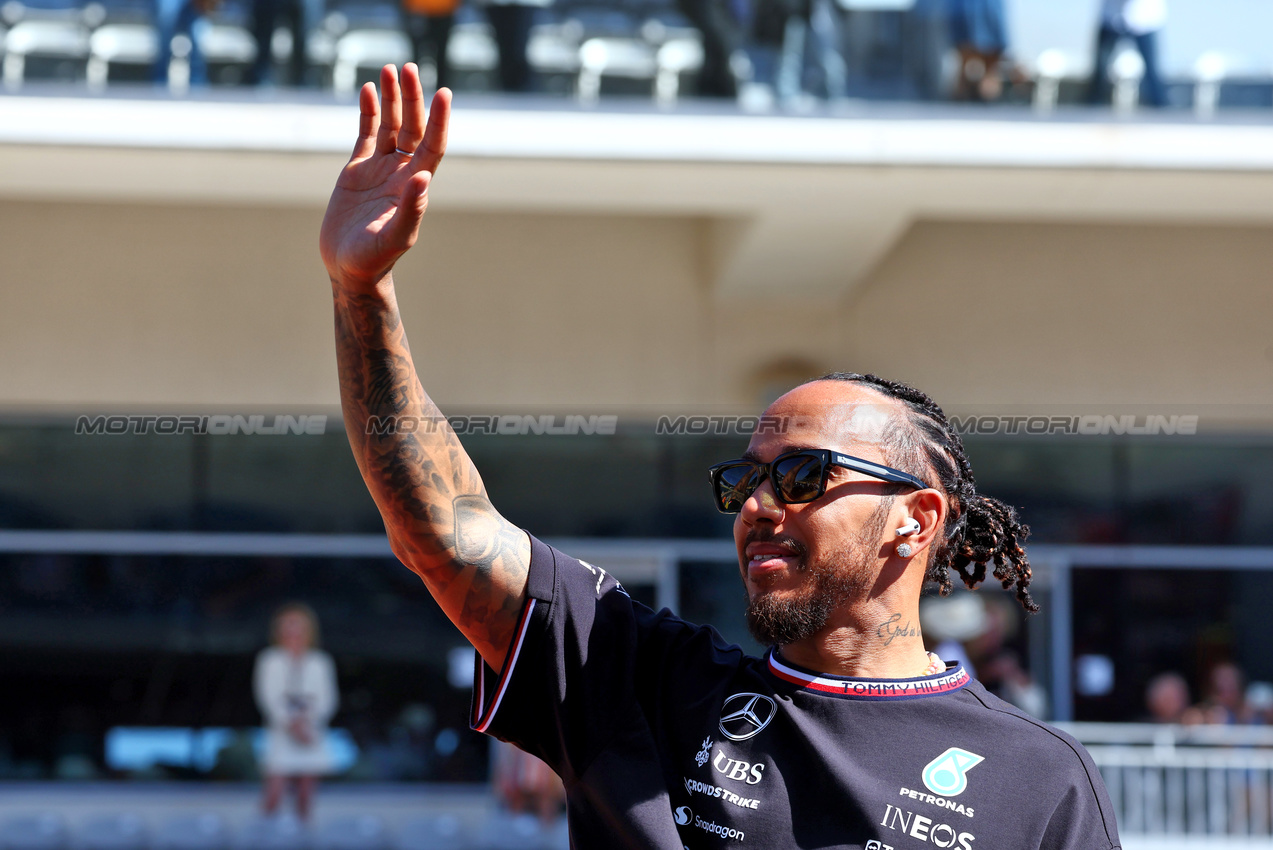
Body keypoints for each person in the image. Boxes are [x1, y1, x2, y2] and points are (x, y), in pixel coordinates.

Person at [318, 64, 1120, 848]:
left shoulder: (1038, 781)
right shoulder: (645, 684)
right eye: (745, 482)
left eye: (804, 477)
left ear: (915, 519)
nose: (760, 507)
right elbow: (443, 528)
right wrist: (362, 290)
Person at [253, 602, 339, 821]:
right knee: (273, 796)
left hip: (311, 734)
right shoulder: (269, 660)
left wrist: (306, 723)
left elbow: (328, 700)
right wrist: (290, 723)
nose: (293, 630)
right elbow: (268, 697)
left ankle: (302, 841)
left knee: (305, 799)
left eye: (297, 625)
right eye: (288, 625)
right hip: (281, 734)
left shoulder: (320, 662)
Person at [1085, 0, 1167, 108]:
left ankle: (1160, 107)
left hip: (1144, 19)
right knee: (1100, 69)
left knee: (1152, 72)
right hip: (1111, 18)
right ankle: (1093, 105)